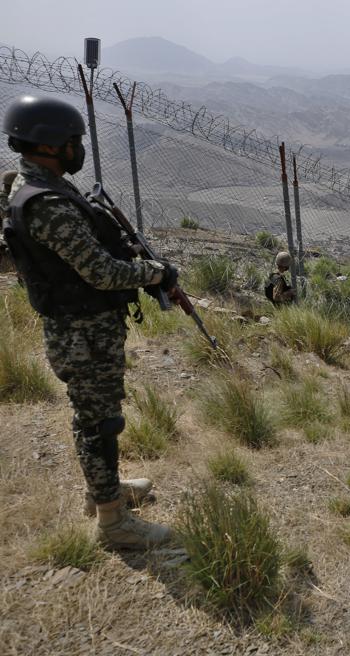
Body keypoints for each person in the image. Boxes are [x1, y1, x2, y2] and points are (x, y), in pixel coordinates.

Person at [2, 95, 177, 549]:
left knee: (98, 418)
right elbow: (99, 271)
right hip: (82, 333)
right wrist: (153, 272)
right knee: (99, 423)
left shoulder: (46, 186)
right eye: (74, 141)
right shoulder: (47, 204)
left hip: (87, 326)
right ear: (51, 145)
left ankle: (104, 493)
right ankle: (113, 522)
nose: (79, 148)